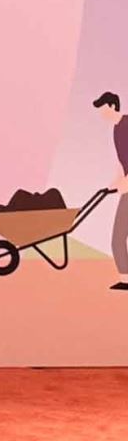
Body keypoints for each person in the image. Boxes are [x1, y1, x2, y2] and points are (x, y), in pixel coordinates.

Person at [94, 92, 128, 291]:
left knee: (118, 237)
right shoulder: (116, 129)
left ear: (112, 106)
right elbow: (122, 163)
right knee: (118, 237)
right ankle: (125, 279)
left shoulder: (126, 126)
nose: (101, 113)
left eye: (103, 109)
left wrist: (125, 183)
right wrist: (114, 184)